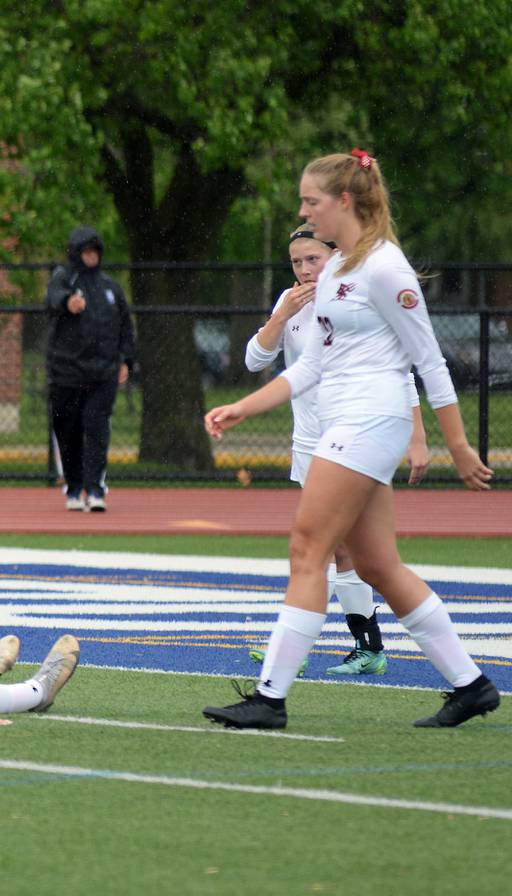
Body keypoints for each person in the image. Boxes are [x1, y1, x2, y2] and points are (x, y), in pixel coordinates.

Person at [203, 150, 498, 729]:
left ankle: (270, 699)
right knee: (377, 564)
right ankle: (473, 684)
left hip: (370, 422)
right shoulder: (337, 270)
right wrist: (245, 405)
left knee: (307, 547)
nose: (303, 211)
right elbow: (309, 367)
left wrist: (457, 444)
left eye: (311, 200)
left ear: (345, 201)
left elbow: (430, 361)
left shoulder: (386, 267)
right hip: (346, 425)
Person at [242, 226, 430, 676]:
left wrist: (418, 438)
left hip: (354, 438)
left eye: (313, 259)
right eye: (296, 262)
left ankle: (299, 650)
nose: (304, 270)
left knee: (325, 549)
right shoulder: (291, 303)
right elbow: (255, 360)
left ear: (335, 255)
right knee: (343, 552)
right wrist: (279, 317)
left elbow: (400, 372)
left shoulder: (356, 299)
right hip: (310, 446)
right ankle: (369, 648)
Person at [44, 225, 135, 512]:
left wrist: (126, 360)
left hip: (102, 373)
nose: (92, 256)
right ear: (76, 253)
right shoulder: (63, 279)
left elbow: (125, 326)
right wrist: (66, 302)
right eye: (86, 251)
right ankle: (74, 487)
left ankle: (95, 489)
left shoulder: (110, 288)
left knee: (96, 428)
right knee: (67, 428)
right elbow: (51, 299)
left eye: (96, 251)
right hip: (66, 373)